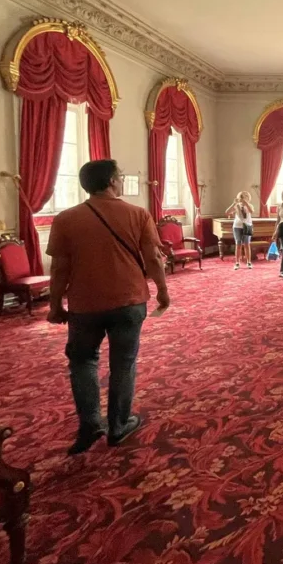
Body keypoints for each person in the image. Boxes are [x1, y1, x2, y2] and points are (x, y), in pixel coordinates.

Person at [46, 159, 169, 455]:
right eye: (121, 176)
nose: (122, 180)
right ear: (112, 181)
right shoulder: (137, 214)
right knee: (123, 363)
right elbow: (153, 258)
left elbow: (59, 268)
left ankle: (89, 424)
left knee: (82, 362)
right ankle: (118, 425)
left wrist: (55, 304)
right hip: (128, 299)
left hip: (84, 304)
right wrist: (162, 291)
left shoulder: (66, 219)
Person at [225, 191, 254, 270]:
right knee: (238, 245)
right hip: (237, 226)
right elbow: (227, 212)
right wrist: (234, 203)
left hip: (247, 226)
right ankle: (237, 263)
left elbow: (252, 211)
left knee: (247, 244)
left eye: (246, 196)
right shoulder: (236, 206)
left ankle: (249, 262)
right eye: (242, 196)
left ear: (248, 198)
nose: (244, 198)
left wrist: (246, 204)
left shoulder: (250, 205)